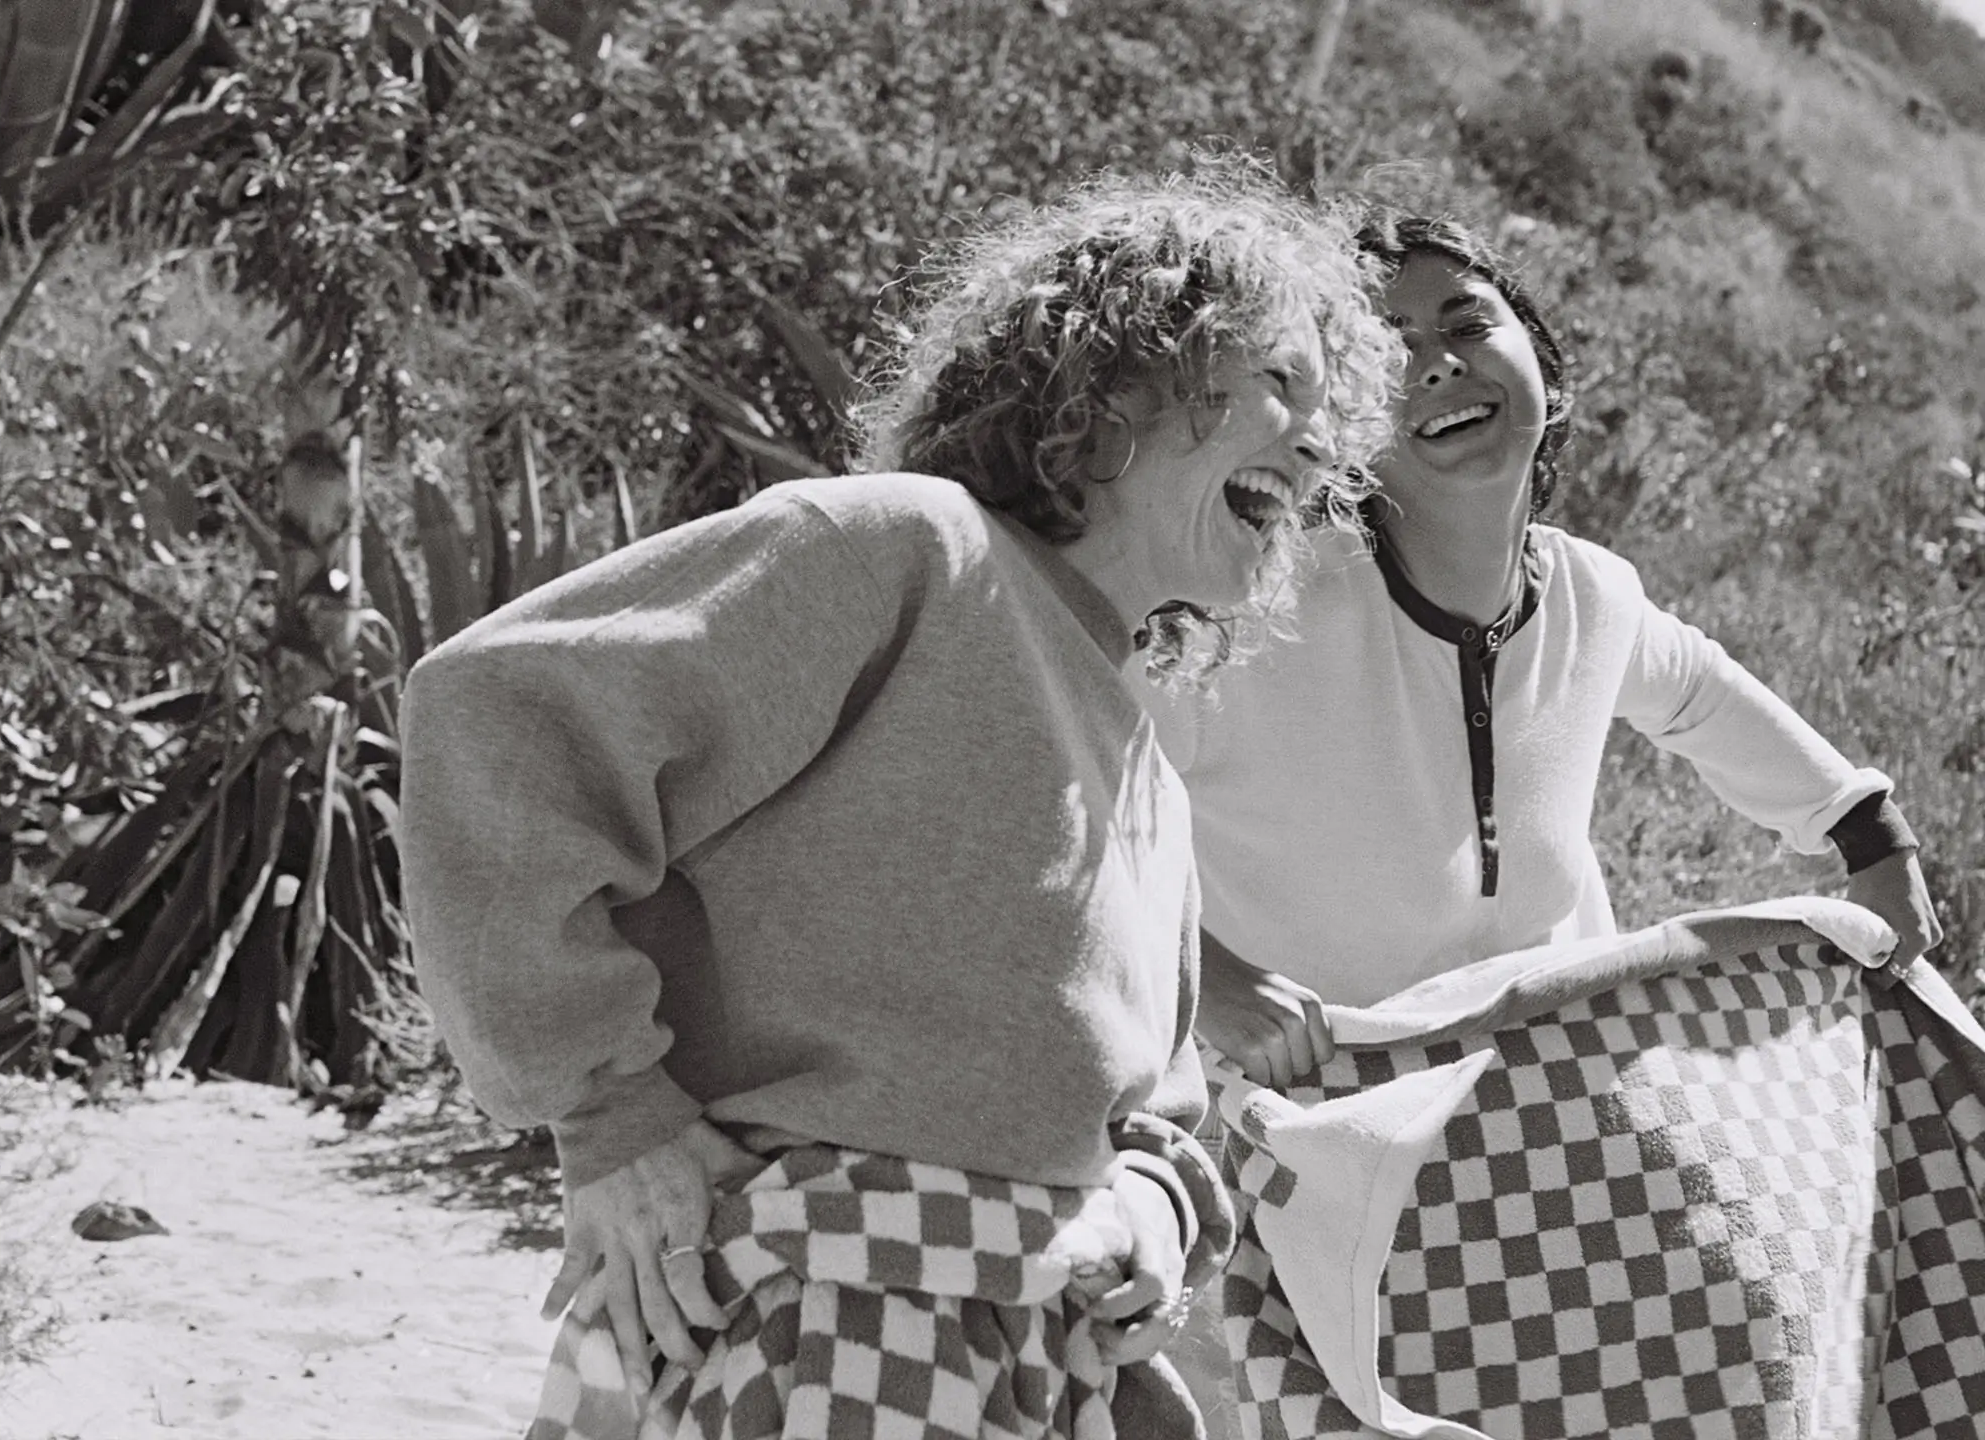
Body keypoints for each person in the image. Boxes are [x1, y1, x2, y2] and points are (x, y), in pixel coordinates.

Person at [397, 160, 1401, 1440]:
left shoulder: (1143, 754)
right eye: (1277, 384)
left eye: (1330, 415)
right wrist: (613, 1113)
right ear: (1115, 380)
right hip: (829, 1319)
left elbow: (1150, 1107)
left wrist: (1155, 1207)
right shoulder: (908, 550)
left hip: (1032, 1358)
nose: (1318, 445)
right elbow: (500, 719)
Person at [1138, 208, 1941, 1095]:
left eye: (1467, 324)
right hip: (1311, 1121)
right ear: (1342, 423)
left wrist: (1873, 838)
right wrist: (1211, 984)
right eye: (1388, 347)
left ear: (1544, 370)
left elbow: (1701, 696)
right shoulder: (1254, 617)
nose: (1438, 361)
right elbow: (1073, 788)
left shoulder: (1591, 597)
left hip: (1553, 1096)